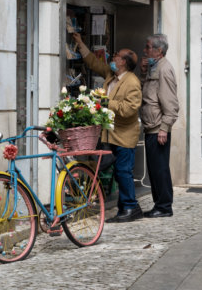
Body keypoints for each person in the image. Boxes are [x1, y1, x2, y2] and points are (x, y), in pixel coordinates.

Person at [73, 32, 143, 223]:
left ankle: (130, 207)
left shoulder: (132, 83)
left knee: (123, 171)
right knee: (115, 171)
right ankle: (126, 207)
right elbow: (94, 63)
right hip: (110, 134)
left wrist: (105, 102)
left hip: (124, 136)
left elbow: (129, 109)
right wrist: (80, 43)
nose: (113, 58)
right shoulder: (112, 76)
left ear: (124, 62)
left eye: (116, 56)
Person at [139, 34, 179, 218]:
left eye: (148, 47)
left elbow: (170, 103)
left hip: (158, 127)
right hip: (151, 125)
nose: (145, 50)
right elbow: (147, 92)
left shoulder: (164, 69)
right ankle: (160, 204)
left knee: (160, 168)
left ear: (158, 51)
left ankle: (164, 206)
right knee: (155, 168)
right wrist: (143, 71)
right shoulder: (154, 67)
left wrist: (164, 128)